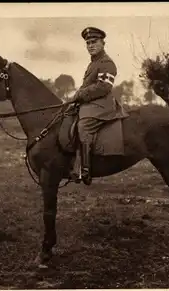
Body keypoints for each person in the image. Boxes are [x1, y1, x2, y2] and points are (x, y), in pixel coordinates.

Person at [69, 27, 128, 185]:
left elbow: (103, 87)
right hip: (92, 102)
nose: (90, 45)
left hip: (102, 104)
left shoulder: (107, 63)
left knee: (83, 126)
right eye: (88, 43)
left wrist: (80, 95)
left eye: (94, 42)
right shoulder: (93, 63)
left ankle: (86, 169)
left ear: (103, 43)